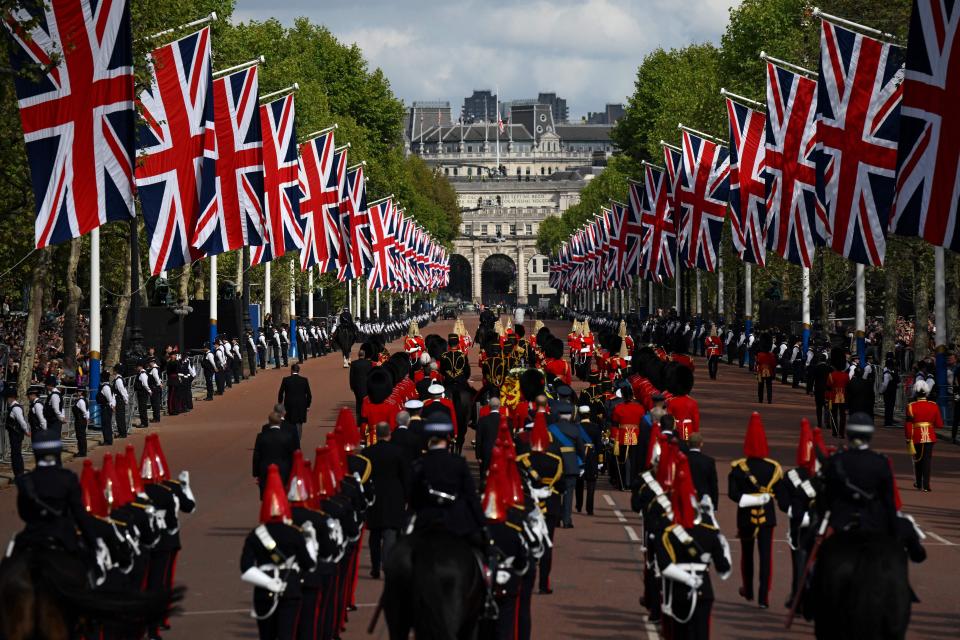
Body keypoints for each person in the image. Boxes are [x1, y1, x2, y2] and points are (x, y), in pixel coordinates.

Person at [657, 452, 732, 639]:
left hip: (678, 591)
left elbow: (665, 566)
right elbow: (724, 570)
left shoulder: (669, 533)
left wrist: (686, 579)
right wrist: (724, 546)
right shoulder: (709, 532)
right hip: (703, 589)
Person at [240, 464, 316, 640]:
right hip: (290, 587)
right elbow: (309, 564)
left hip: (263, 590)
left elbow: (246, 568)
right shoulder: (295, 533)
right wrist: (310, 541)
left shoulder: (256, 534)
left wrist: (268, 582)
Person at [727, 412, 785, 609]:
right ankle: (763, 597)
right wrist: (764, 497)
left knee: (747, 555)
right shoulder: (774, 468)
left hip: (745, 516)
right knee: (766, 557)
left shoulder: (738, 467)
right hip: (767, 516)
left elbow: (733, 495)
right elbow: (779, 493)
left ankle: (749, 590)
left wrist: (750, 498)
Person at [409, 420, 485, 539]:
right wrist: (483, 526)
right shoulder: (458, 463)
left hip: (426, 522)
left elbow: (413, 499)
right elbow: (471, 497)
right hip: (456, 522)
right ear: (448, 438)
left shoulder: (420, 464)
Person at [362, 422, 411, 579]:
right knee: (390, 532)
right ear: (389, 434)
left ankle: (375, 566)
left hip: (375, 496)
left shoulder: (368, 452)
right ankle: (387, 564)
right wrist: (407, 496)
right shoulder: (398, 452)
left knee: (375, 534)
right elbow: (405, 476)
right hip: (394, 496)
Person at [547, 401, 584, 529]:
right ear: (569, 416)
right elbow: (580, 448)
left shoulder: (551, 428)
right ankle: (567, 520)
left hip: (555, 464)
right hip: (570, 464)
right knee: (569, 494)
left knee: (555, 493)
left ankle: (556, 518)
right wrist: (581, 462)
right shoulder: (575, 428)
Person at [252, 407, 299, 497]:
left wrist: (256, 473)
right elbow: (292, 455)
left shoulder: (261, 437)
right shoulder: (287, 437)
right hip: (283, 469)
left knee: (267, 496)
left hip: (265, 470)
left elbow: (257, 455)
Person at [905, 379, 941, 492]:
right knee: (927, 461)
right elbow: (939, 424)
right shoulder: (933, 406)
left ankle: (919, 483)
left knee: (917, 460)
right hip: (930, 436)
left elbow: (908, 425)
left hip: (916, 436)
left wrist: (908, 438)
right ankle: (926, 485)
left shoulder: (911, 406)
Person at [575, 405, 601, 516]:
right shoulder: (595, 427)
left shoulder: (576, 427)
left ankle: (579, 505)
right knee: (591, 483)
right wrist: (600, 460)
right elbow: (599, 445)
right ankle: (589, 508)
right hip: (592, 456)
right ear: (589, 414)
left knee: (578, 483)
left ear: (580, 415)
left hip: (579, 456)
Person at [685, 432, 718, 512]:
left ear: (688, 444)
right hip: (704, 500)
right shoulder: (708, 461)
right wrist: (715, 505)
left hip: (685, 498)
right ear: (701, 444)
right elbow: (713, 484)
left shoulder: (682, 458)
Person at [277, 363, 311, 440]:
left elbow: (280, 393)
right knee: (299, 423)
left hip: (289, 404)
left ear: (291, 370)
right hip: (301, 405)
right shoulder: (304, 380)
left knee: (289, 422)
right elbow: (309, 395)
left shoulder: (286, 380)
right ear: (298, 371)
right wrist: (308, 405)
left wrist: (280, 404)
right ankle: (297, 441)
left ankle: (290, 440)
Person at [4, 385, 30, 475]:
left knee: (16, 455)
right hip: (15, 434)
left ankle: (19, 474)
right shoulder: (13, 407)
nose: (6, 400)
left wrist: (26, 431)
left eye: (7, 398)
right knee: (16, 454)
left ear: (10, 398)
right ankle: (19, 473)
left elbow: (22, 422)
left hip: (16, 434)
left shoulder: (15, 408)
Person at [475, 397, 502, 477]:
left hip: (486, 453)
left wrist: (478, 455)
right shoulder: (506, 420)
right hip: (501, 454)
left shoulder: (482, 420)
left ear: (489, 406)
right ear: (499, 406)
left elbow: (478, 439)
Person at [349, 348, 372, 421]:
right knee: (366, 401)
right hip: (366, 386)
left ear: (358, 355)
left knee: (358, 402)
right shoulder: (369, 363)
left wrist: (352, 386)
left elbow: (351, 376)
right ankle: (365, 417)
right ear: (364, 355)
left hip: (357, 386)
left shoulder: (354, 363)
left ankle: (359, 419)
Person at [95, 373, 115, 446]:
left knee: (106, 424)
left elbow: (110, 398)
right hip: (107, 407)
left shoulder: (105, 387)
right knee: (107, 424)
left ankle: (108, 440)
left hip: (106, 407)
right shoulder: (107, 386)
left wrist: (112, 406)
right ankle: (108, 440)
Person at [880, 356, 900, 427]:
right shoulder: (890, 372)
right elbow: (887, 383)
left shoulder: (887, 372)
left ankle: (888, 421)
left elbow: (885, 384)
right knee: (890, 406)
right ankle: (888, 421)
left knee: (889, 406)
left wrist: (881, 391)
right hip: (891, 391)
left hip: (888, 391)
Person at [72, 384, 89, 458]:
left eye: (78, 391)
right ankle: (83, 451)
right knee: (82, 436)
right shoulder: (84, 400)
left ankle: (82, 452)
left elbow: (85, 411)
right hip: (82, 420)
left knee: (80, 436)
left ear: (81, 392)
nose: (77, 392)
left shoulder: (80, 401)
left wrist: (86, 418)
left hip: (80, 420)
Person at [112, 363, 128, 439]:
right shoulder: (120, 378)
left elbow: (122, 391)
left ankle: (122, 433)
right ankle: (122, 432)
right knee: (120, 417)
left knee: (120, 417)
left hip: (119, 399)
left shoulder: (118, 380)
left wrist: (125, 399)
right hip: (120, 399)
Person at [147, 357, 163, 422]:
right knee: (156, 403)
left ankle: (156, 418)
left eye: (150, 363)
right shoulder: (157, 368)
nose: (149, 364)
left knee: (155, 404)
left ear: (152, 362)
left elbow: (156, 377)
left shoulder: (154, 369)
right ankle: (156, 417)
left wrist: (159, 384)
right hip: (156, 387)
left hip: (154, 388)